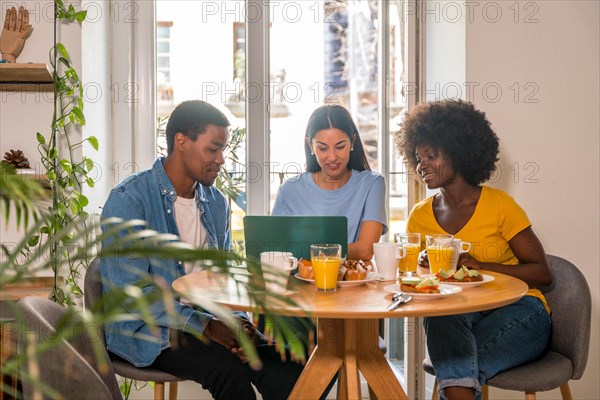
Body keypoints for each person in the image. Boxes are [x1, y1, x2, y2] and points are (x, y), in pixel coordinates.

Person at [100, 100, 303, 400]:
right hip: (149, 330)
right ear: (181, 141)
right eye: (213, 148)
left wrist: (240, 323)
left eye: (223, 149)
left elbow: (223, 280)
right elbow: (133, 295)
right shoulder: (130, 200)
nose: (221, 159)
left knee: (287, 366)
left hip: (208, 321)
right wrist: (206, 325)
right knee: (226, 369)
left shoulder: (216, 203)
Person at [396, 99, 552, 400]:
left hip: (520, 311)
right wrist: (425, 267)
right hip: (459, 314)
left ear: (459, 151)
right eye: (418, 157)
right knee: (442, 321)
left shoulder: (500, 205)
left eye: (432, 155)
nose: (422, 165)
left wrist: (482, 266)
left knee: (454, 368)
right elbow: (415, 280)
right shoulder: (419, 216)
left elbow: (542, 273)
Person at [273, 104, 388, 261]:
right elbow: (277, 251)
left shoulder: (372, 184)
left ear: (352, 142)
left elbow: (365, 251)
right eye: (323, 148)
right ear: (310, 146)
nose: (332, 157)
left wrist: (307, 251)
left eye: (340, 146)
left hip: (353, 283)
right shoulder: (289, 190)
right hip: (301, 282)